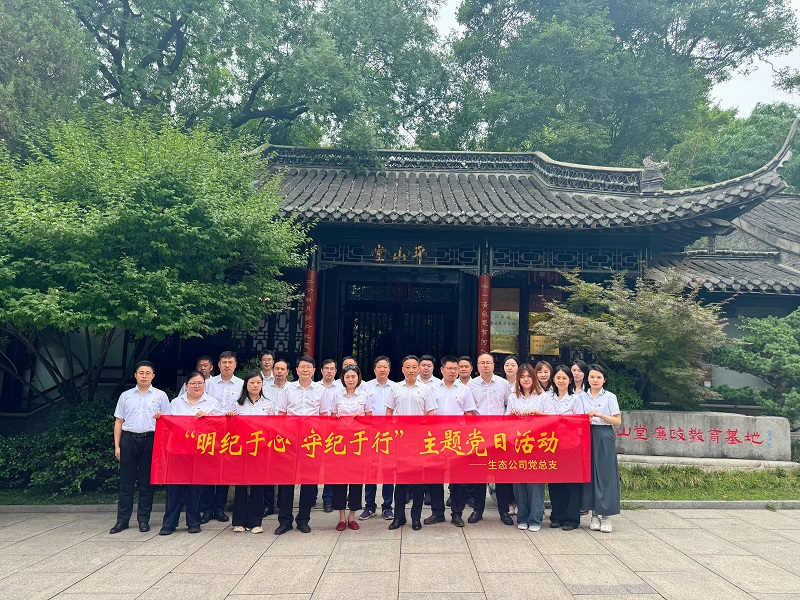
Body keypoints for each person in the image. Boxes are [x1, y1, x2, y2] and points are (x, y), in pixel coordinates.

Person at [110, 361, 170, 534]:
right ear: (135, 375)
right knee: (126, 483)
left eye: (148, 373)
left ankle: (144, 520)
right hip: (128, 439)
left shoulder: (160, 396)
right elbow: (118, 421)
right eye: (141, 373)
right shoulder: (126, 396)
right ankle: (122, 520)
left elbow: (167, 421)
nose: (144, 376)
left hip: (150, 440)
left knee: (146, 483)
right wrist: (117, 446)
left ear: (153, 376)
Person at [159, 372, 221, 535]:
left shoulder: (212, 403)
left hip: (199, 452)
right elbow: (168, 424)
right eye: (193, 383)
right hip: (177, 451)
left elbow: (220, 427)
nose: (197, 386)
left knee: (195, 488)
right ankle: (169, 523)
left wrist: (208, 418)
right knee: (174, 488)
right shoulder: (176, 403)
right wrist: (160, 418)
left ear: (204, 385)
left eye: (200, 383)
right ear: (186, 385)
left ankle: (194, 521)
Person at [274, 355, 325, 535]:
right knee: (286, 481)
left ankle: (303, 519)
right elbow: (281, 414)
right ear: (296, 370)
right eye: (302, 367)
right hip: (289, 440)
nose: (305, 370)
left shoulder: (320, 390)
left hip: (311, 441)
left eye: (308, 367)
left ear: (314, 370)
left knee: (308, 481)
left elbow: (324, 416)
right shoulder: (287, 389)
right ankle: (285, 520)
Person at [386, 355, 437, 530]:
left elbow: (430, 413)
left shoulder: (425, 389)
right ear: (402, 369)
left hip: (418, 441)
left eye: (414, 367)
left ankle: (416, 518)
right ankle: (398, 517)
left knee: (418, 482)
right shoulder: (395, 388)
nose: (411, 370)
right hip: (400, 440)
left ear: (419, 369)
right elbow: (389, 412)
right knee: (400, 481)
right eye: (407, 367)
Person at [425, 355, 476, 528]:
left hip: (457, 439)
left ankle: (457, 513)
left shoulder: (464, 390)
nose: (454, 372)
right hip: (436, 438)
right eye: (450, 368)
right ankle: (437, 512)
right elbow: (428, 412)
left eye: (456, 369)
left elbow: (469, 415)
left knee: (458, 479)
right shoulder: (432, 389)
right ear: (442, 370)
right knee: (435, 477)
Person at [468, 353, 514, 525]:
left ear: (493, 365)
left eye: (488, 363)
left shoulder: (503, 384)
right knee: (479, 473)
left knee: (501, 473)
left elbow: (509, 405)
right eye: (482, 363)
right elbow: (469, 409)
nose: (485, 366)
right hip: (479, 434)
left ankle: (504, 511)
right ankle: (478, 510)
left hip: (499, 434)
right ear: (477, 366)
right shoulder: (471, 385)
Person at [200, 350, 243, 524]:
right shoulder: (208, 383)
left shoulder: (241, 384)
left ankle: (219, 507)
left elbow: (243, 406)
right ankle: (207, 509)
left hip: (231, 433)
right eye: (224, 362)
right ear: (218, 365)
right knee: (209, 469)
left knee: (225, 470)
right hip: (210, 432)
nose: (227, 365)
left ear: (235, 365)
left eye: (230, 362)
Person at [581, 364, 622, 533]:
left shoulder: (610, 397)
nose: (595, 380)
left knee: (605, 474)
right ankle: (594, 515)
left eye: (599, 377)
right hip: (586, 435)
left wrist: (599, 415)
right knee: (589, 474)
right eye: (592, 377)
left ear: (604, 380)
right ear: (587, 378)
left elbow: (617, 421)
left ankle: (606, 516)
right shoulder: (581, 396)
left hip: (604, 434)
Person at [543, 365, 584, 531]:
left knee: (572, 482)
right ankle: (557, 516)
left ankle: (572, 519)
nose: (561, 381)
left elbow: (581, 423)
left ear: (570, 380)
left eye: (564, 378)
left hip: (571, 445)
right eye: (558, 378)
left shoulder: (576, 399)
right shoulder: (547, 398)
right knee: (555, 482)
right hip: (552, 445)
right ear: (553, 379)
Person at [506, 363, 546, 532]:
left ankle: (535, 519)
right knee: (518, 482)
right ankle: (522, 517)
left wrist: (537, 413)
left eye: (529, 376)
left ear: (534, 378)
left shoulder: (543, 397)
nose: (525, 379)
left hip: (537, 444)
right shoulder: (512, 397)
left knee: (535, 482)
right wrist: (511, 413)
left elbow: (552, 419)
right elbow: (504, 422)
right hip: (517, 445)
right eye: (522, 377)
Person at [331, 365, 371, 531]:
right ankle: (341, 517)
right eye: (347, 377)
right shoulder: (337, 395)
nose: (350, 379)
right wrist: (336, 418)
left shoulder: (364, 395)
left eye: (353, 376)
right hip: (340, 443)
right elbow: (332, 415)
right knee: (340, 480)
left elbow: (370, 417)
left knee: (355, 480)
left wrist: (360, 418)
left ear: (358, 378)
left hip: (357, 443)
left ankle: (352, 516)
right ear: (343, 378)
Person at [231, 372, 272, 534]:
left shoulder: (268, 404)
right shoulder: (237, 404)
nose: (255, 385)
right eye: (252, 383)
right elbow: (229, 426)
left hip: (260, 449)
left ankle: (256, 521)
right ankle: (239, 521)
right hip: (241, 449)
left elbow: (274, 426)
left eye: (258, 382)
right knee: (240, 485)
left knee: (258, 485)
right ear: (246, 385)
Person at [361, 355, 395, 521]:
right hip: (370, 434)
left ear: (389, 369)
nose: (382, 370)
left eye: (385, 367)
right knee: (371, 470)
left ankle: (387, 506)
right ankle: (370, 506)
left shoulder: (395, 387)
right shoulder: (366, 387)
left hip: (389, 434)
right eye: (379, 367)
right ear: (374, 369)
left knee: (388, 470)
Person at [262, 358, 290, 517]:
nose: (279, 371)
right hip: (268, 433)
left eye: (282, 369)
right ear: (273, 371)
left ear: (288, 372)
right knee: (269, 469)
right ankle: (268, 504)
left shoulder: (292, 388)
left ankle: (282, 502)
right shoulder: (264, 389)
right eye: (277, 369)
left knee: (284, 469)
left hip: (286, 434)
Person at [318, 358, 340, 512]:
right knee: (314, 464)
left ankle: (328, 498)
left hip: (335, 432)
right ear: (321, 370)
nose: (329, 371)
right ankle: (312, 495)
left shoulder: (341, 388)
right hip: (316, 431)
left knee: (331, 466)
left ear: (336, 371)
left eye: (332, 369)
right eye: (326, 368)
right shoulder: (314, 387)